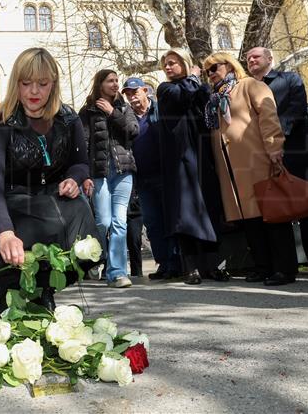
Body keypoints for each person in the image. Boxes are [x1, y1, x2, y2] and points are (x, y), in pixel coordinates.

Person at [0, 48, 97, 317]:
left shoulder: (68, 118)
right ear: (15, 82)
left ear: (53, 83)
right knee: (8, 226)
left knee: (79, 207)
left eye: (42, 83)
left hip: (46, 197)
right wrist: (5, 232)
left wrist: (74, 179)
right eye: (25, 83)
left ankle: (44, 289)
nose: (34, 92)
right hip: (4, 198)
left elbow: (80, 162)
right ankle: (5, 295)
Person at [203, 52, 297, 286]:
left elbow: (268, 115)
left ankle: (284, 268)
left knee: (272, 214)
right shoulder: (216, 97)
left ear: (230, 65)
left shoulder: (250, 85)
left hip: (257, 159)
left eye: (215, 67)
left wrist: (274, 145)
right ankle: (263, 266)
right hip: (233, 167)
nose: (211, 73)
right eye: (207, 71)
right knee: (250, 218)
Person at [247, 47, 308, 277]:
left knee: (306, 204)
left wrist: (275, 137)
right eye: (248, 58)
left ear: (270, 59)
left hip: (295, 149)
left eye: (256, 56)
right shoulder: (246, 89)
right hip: (262, 156)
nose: (251, 60)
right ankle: (282, 262)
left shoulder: (290, 79)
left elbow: (297, 109)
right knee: (275, 208)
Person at [158, 48, 227, 285]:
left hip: (201, 155)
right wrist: (194, 78)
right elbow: (181, 96)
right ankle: (191, 268)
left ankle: (214, 266)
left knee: (208, 209)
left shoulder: (197, 86)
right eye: (166, 64)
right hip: (179, 159)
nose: (168, 67)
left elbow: (206, 110)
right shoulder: (165, 89)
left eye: (173, 62)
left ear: (185, 64)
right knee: (185, 213)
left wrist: (200, 85)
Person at [79, 70, 139, 288]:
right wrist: (84, 175)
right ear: (100, 84)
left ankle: (117, 273)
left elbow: (133, 131)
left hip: (124, 172)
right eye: (110, 81)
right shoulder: (87, 111)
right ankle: (95, 260)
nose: (115, 84)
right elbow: (83, 144)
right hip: (99, 173)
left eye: (116, 81)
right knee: (103, 221)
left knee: (119, 222)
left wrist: (113, 112)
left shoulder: (123, 108)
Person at [122, 77, 180, 280]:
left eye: (135, 91)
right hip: (143, 180)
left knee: (170, 219)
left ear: (145, 91)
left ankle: (176, 263)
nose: (132, 96)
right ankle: (163, 263)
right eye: (128, 93)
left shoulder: (159, 110)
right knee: (153, 223)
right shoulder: (127, 117)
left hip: (165, 175)